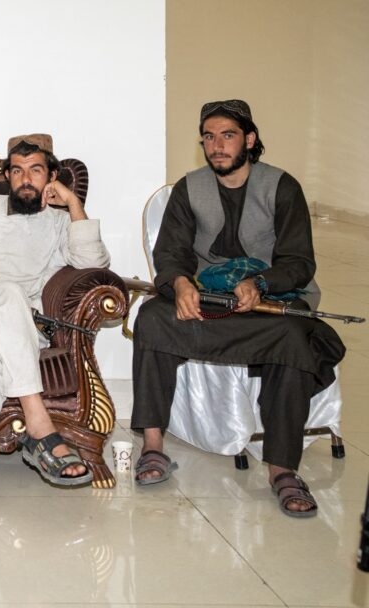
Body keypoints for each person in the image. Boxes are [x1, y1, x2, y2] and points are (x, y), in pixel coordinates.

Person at [132, 99, 346, 518]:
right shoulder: (189, 188)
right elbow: (171, 252)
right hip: (210, 303)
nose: (217, 146)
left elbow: (299, 262)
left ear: (249, 139)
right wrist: (179, 284)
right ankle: (153, 446)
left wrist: (262, 283)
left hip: (267, 304)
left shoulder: (282, 187)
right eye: (209, 137)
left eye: (227, 135)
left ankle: (282, 468)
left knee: (292, 335)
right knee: (153, 318)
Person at [0, 135, 111, 519]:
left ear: (52, 177)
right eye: (17, 171)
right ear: (7, 176)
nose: (25, 178)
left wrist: (75, 203)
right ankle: (39, 423)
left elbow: (93, 261)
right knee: (7, 294)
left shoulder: (61, 222)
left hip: (12, 327)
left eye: (36, 170)